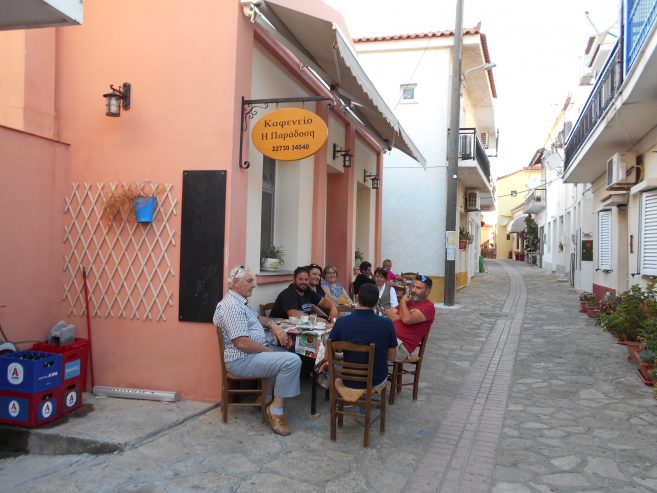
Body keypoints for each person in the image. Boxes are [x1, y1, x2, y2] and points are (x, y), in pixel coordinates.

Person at [213, 265, 302, 436]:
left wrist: (273, 326)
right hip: (241, 359)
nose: (254, 285)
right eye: (249, 281)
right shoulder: (232, 306)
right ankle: (275, 411)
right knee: (291, 361)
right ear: (236, 283)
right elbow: (242, 343)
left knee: (286, 351)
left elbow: (259, 318)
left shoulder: (241, 302)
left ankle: (265, 397)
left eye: (253, 280)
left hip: (251, 354)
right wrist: (267, 351)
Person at [328, 283, 397, 388]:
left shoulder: (341, 322)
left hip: (348, 379)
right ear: (377, 302)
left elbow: (328, 356)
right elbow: (392, 357)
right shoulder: (387, 323)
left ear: (357, 299)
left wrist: (342, 355)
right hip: (376, 380)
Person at [386, 274, 435, 361]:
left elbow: (407, 320)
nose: (413, 290)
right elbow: (389, 315)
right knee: (366, 341)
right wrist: (403, 315)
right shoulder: (409, 302)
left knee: (371, 347)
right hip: (390, 338)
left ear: (427, 292)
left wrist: (402, 302)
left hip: (400, 347)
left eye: (418, 288)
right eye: (413, 286)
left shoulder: (428, 307)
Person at [270, 266, 338, 320]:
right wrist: (317, 319)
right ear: (294, 279)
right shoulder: (288, 293)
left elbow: (323, 302)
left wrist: (333, 307)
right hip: (279, 329)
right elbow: (294, 315)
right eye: (301, 279)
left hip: (300, 327)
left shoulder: (308, 291)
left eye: (306, 279)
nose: (304, 282)